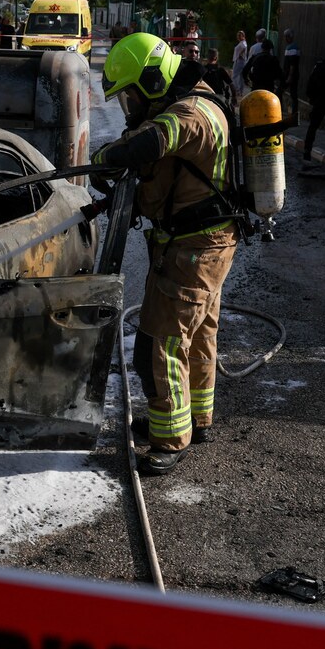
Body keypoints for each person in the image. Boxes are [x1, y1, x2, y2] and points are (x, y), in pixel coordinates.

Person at [92, 33, 240, 472]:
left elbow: (149, 143)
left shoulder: (190, 113)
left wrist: (105, 157)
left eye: (131, 95)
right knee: (199, 335)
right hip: (202, 244)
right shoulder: (194, 101)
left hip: (193, 250)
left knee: (161, 342)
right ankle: (196, 419)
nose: (130, 107)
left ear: (153, 81)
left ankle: (170, 439)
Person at [281, 28, 302, 122]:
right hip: (291, 74)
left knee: (281, 92)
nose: (285, 38)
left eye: (286, 37)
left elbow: (293, 64)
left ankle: (292, 113)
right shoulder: (290, 47)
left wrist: (290, 76)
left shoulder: (293, 48)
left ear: (290, 37)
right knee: (293, 94)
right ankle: (294, 113)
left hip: (290, 75)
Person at [230, 29, 249, 97]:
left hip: (239, 61)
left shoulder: (243, 43)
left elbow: (244, 48)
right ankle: (240, 91)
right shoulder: (242, 42)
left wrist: (239, 55)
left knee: (234, 76)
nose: (238, 37)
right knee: (240, 77)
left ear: (243, 36)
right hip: (240, 61)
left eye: (239, 35)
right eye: (238, 35)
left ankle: (237, 90)